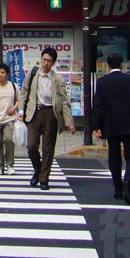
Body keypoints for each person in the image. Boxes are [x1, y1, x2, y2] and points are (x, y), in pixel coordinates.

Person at [92, 53, 130, 206]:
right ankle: (128, 181)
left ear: (108, 66)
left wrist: (96, 126)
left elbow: (98, 106)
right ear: (122, 65)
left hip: (111, 124)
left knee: (114, 156)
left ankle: (117, 188)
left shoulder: (102, 82)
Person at [20, 48, 76, 191]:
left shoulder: (57, 79)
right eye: (44, 59)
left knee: (48, 148)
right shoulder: (32, 74)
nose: (45, 63)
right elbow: (24, 93)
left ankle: (44, 178)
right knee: (31, 146)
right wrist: (21, 111)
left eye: (49, 61)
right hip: (34, 113)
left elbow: (64, 101)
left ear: (53, 63)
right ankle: (38, 170)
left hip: (51, 114)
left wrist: (69, 122)